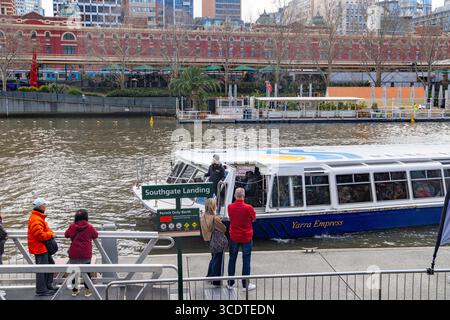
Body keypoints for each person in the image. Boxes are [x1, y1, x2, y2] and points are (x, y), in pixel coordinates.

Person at [227, 188, 257, 291]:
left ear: (235, 196)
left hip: (234, 236)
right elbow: (254, 218)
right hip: (246, 236)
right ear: (243, 196)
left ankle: (230, 283)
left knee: (232, 259)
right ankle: (245, 284)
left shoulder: (230, 207)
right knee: (246, 259)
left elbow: (231, 218)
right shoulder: (249, 207)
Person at [65, 209, 99, 297]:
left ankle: (75, 290)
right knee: (87, 272)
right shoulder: (89, 226)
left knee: (74, 272)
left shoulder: (72, 226)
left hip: (74, 253)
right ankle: (87, 291)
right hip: (85, 254)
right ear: (86, 217)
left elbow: (66, 234)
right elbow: (95, 235)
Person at [27, 198, 56, 296]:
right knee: (42, 269)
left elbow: (43, 232)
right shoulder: (36, 219)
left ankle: (48, 286)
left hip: (42, 247)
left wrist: (49, 233)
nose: (46, 206)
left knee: (50, 265)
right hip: (39, 248)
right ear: (40, 206)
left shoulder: (38, 217)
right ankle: (41, 290)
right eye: (45, 205)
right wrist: (51, 234)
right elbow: (40, 235)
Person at [200, 198, 227, 287]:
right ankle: (216, 281)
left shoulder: (203, 216)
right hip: (215, 240)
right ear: (213, 206)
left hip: (207, 240)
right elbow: (223, 229)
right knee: (218, 260)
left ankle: (209, 276)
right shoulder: (214, 218)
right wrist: (219, 220)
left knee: (213, 258)